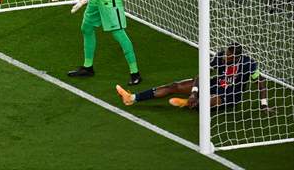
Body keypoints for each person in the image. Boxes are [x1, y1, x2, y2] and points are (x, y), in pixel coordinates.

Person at [116, 43, 272, 111]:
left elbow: (261, 82)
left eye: (229, 56)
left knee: (209, 102)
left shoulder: (248, 64)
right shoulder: (220, 57)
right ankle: (133, 98)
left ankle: (188, 103)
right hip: (215, 84)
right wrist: (194, 91)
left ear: (237, 57)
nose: (225, 57)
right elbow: (201, 74)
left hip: (231, 95)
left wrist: (264, 104)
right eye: (225, 54)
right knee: (174, 86)